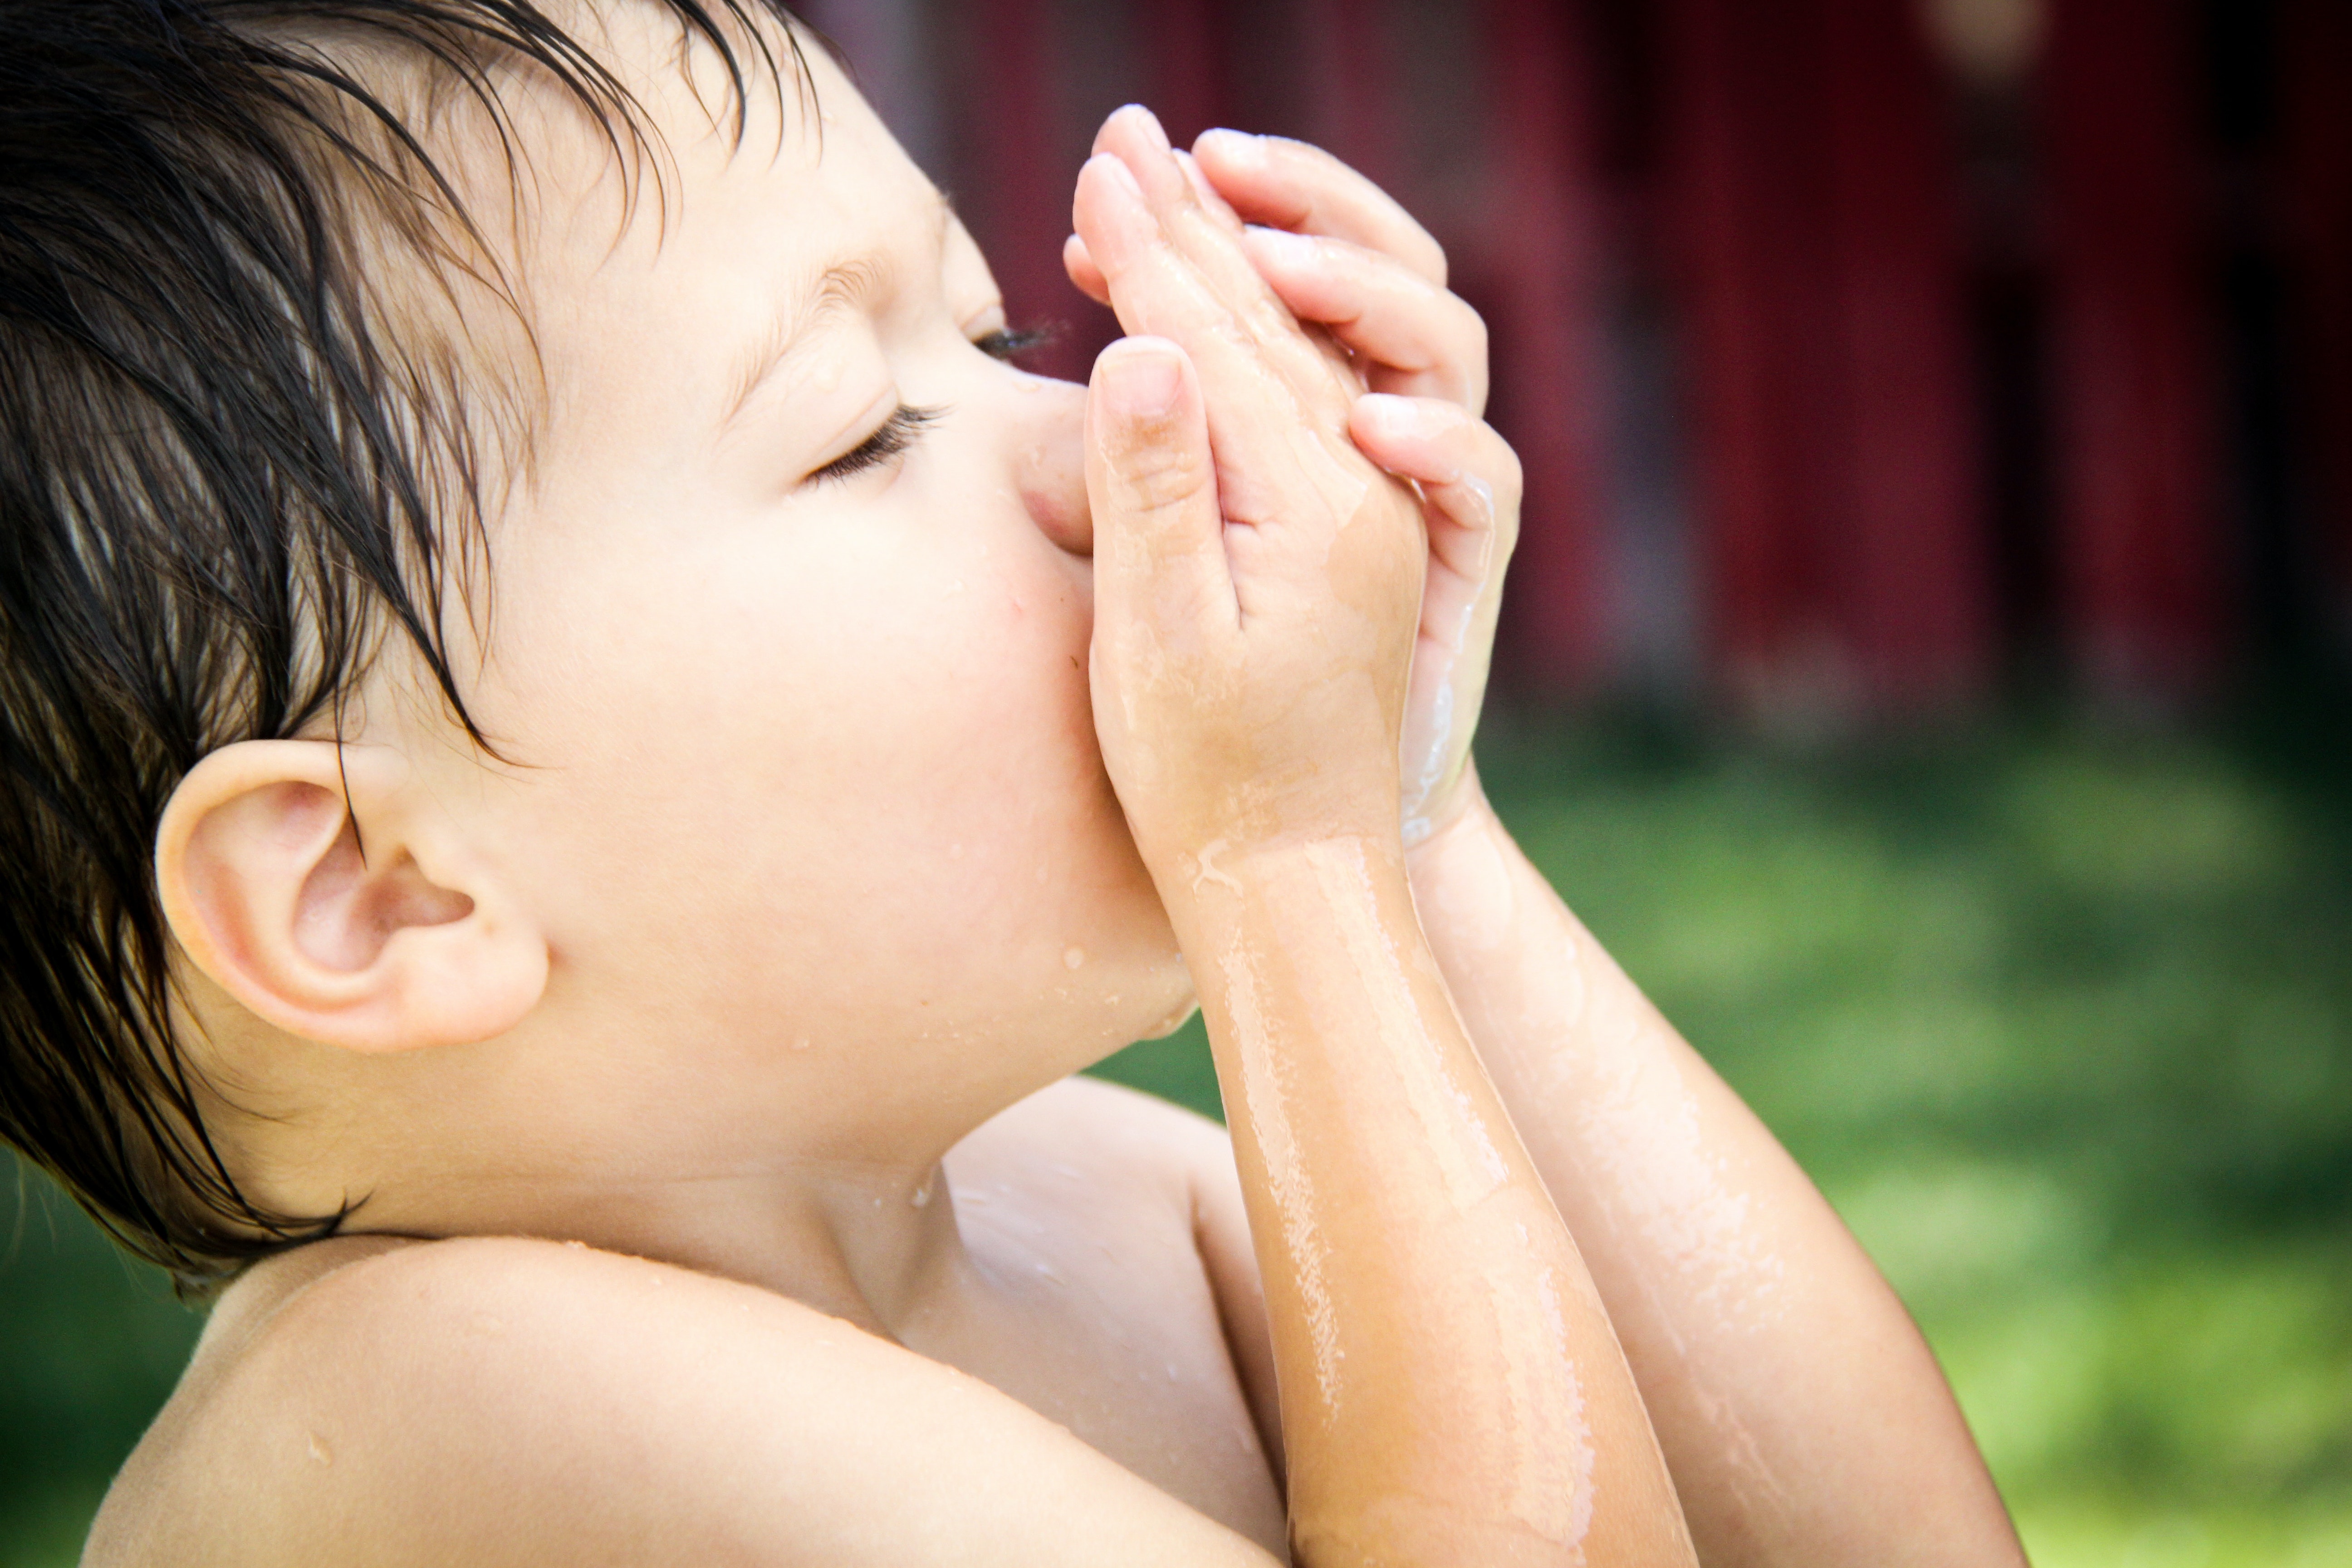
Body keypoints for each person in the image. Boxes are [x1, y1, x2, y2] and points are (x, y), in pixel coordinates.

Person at [0, 3, 2025, 1563]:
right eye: (863, 432)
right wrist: (1292, 857)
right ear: (381, 894)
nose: (1090, 435)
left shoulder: (1076, 1203)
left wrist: (1407, 825)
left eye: (998, 333)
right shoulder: (429, 1412)